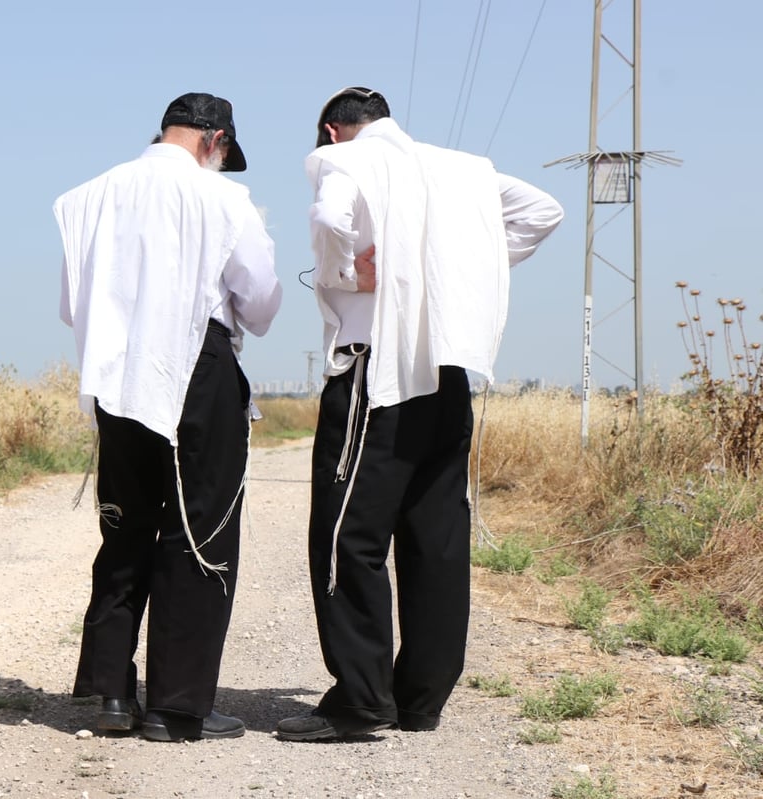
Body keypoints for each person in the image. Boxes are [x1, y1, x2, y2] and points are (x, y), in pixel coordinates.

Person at [276, 87, 563, 742]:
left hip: (377, 372)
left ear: (332, 130)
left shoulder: (344, 161)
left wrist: (351, 273)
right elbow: (544, 211)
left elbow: (327, 218)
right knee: (436, 537)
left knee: (349, 536)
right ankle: (421, 699)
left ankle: (360, 697)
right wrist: (455, 267)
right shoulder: (463, 168)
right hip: (449, 371)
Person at [54, 92, 282, 742]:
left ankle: (113, 693)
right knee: (197, 525)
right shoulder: (224, 200)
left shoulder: (88, 196)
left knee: (124, 527)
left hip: (115, 373)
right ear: (216, 142)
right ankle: (177, 705)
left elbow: (72, 305)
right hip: (193, 367)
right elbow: (261, 301)